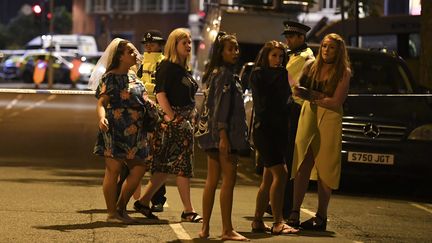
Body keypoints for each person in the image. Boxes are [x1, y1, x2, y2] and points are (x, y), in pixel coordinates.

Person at [133, 28, 202, 222]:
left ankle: (144, 201)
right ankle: (188, 210)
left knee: (164, 167)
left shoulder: (182, 68)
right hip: (173, 122)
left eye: (189, 42)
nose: (188, 46)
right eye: (184, 43)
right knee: (183, 166)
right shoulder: (167, 66)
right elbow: (161, 94)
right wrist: (174, 118)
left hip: (183, 121)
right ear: (174, 45)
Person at [287, 33, 351, 231]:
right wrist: (317, 96)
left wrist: (313, 96)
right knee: (302, 162)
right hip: (309, 114)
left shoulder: (343, 72)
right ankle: (294, 211)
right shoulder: (311, 66)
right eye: (324, 46)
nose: (326, 51)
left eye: (331, 47)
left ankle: (321, 215)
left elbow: (336, 101)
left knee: (326, 165)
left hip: (330, 118)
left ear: (339, 51)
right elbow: (297, 89)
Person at [89, 38, 149, 223]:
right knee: (113, 171)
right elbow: (102, 103)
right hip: (115, 127)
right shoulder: (110, 78)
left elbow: (142, 99)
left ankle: (121, 207)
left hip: (136, 130)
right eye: (130, 52)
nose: (135, 54)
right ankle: (111, 213)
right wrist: (102, 118)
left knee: (139, 168)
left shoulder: (134, 76)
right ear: (120, 57)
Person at [196, 32, 250, 241]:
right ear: (221, 52)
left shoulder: (215, 73)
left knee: (212, 180)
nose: (235, 52)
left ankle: (205, 228)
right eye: (230, 49)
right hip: (223, 136)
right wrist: (223, 135)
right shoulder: (226, 75)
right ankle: (227, 229)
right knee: (228, 179)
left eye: (236, 48)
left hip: (212, 135)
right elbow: (221, 108)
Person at [249, 40, 298, 235]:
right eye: (274, 55)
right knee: (281, 173)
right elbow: (264, 104)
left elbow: (289, 97)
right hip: (265, 129)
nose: (278, 59)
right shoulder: (258, 74)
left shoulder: (283, 74)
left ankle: (257, 221)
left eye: (280, 56)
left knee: (268, 178)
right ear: (266, 55)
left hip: (279, 130)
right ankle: (278, 221)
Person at [117, 30, 167, 212]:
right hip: (140, 113)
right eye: (146, 44)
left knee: (157, 158)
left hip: (156, 113)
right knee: (131, 156)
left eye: (152, 44)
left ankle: (157, 198)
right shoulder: (138, 63)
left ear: (160, 45)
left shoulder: (163, 63)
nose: (148, 47)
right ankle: (119, 196)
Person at [282, 20, 315, 221]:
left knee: (290, 157)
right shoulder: (294, 55)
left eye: (291, 36)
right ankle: (280, 201)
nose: (287, 39)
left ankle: (286, 204)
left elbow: (290, 82)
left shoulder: (306, 58)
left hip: (296, 109)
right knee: (285, 156)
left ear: (301, 38)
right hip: (290, 108)